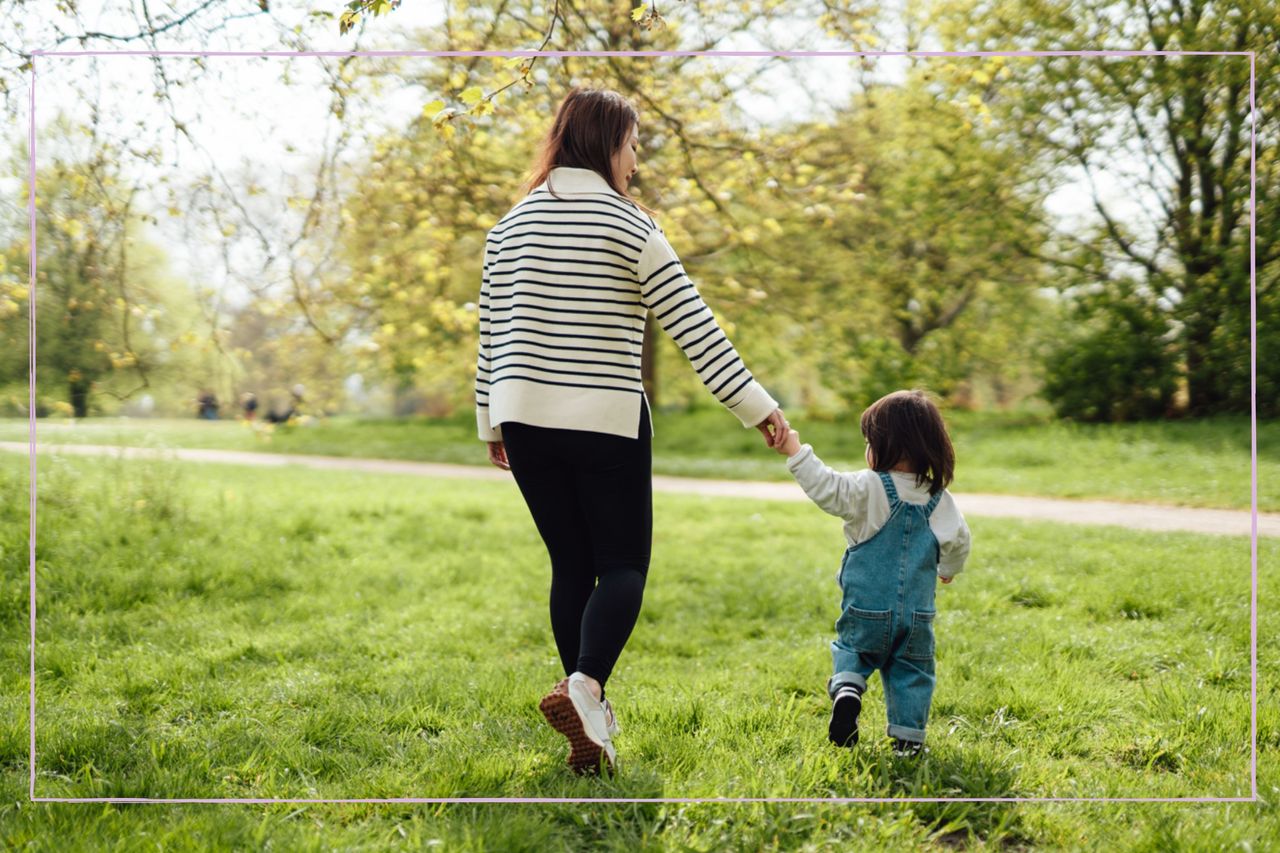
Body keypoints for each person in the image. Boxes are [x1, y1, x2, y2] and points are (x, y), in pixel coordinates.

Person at [475, 88, 789, 775]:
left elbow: (490, 335)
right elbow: (696, 330)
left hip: (523, 418)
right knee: (621, 567)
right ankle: (586, 690)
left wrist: (489, 420)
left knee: (570, 565)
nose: (637, 164)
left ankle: (587, 723)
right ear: (605, 144)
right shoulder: (629, 226)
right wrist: (759, 406)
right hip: (606, 422)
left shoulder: (509, 227)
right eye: (633, 146)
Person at [774, 389, 971, 757]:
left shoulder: (868, 487)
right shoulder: (939, 498)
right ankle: (909, 742)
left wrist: (795, 452)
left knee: (853, 649)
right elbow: (960, 540)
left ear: (884, 445)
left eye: (869, 441)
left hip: (867, 608)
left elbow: (826, 487)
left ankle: (848, 689)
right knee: (914, 672)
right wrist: (948, 569)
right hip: (916, 616)